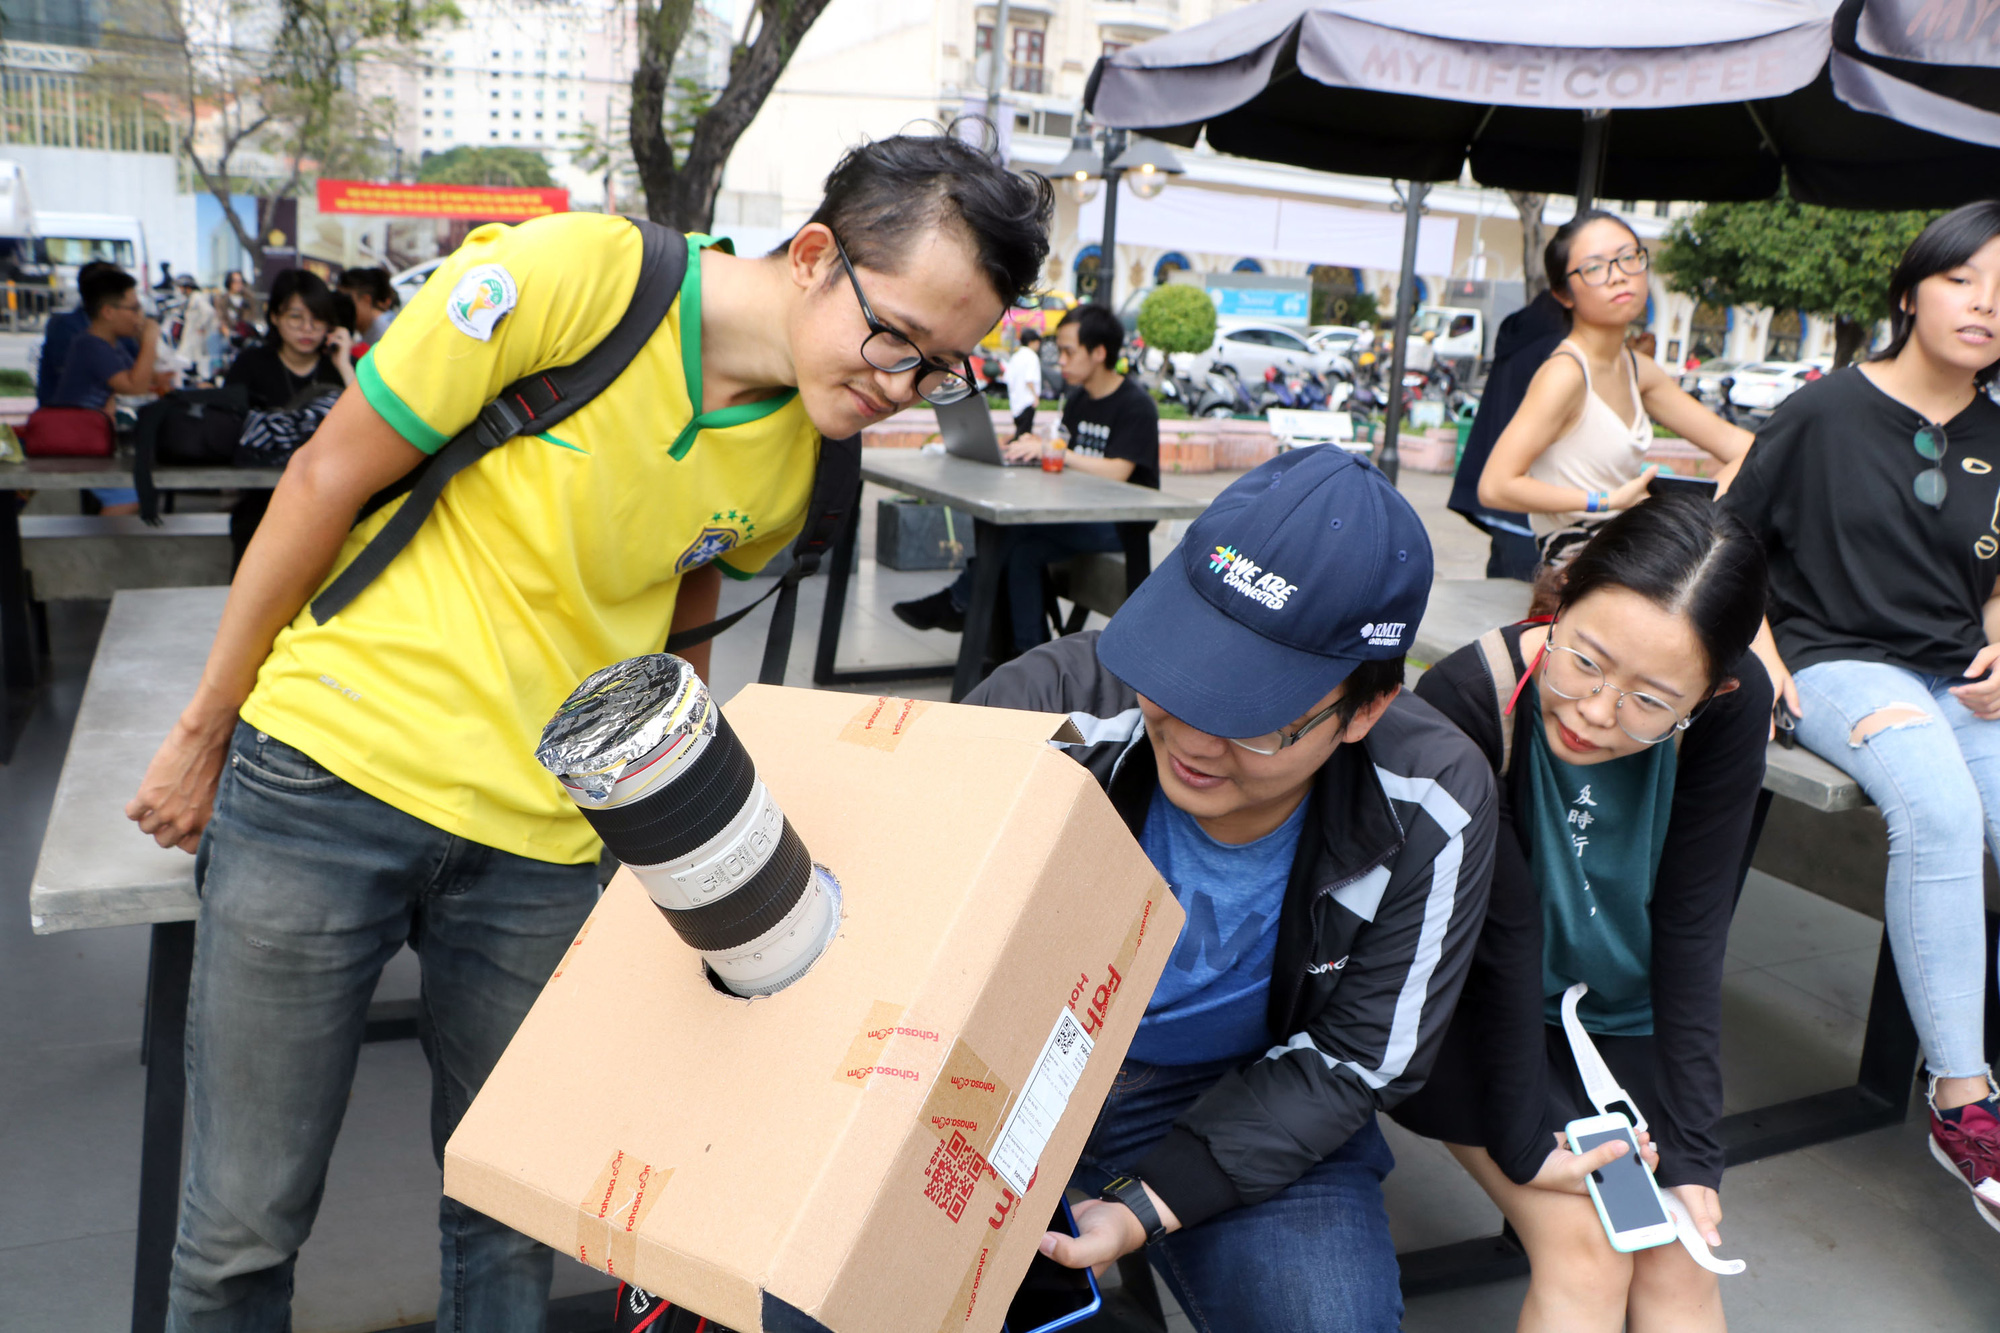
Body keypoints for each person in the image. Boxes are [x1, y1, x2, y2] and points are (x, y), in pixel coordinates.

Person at [123, 129, 1051, 1333]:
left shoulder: (801, 458)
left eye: (941, 369)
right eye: (897, 338)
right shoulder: (570, 280)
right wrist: (204, 732)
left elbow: (681, 631)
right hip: (326, 781)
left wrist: (664, 846)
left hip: (544, 854)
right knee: (244, 1223)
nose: (902, 384)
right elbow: (322, 482)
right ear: (816, 253)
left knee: (516, 1215)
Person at [967, 447, 1496, 1333]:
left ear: (1365, 709)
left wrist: (1156, 1198)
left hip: (1242, 1085)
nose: (1196, 737)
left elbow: (1357, 1058)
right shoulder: (1050, 711)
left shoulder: (1434, 800)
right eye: (1181, 672)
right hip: (1004, 1063)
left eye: (1255, 714)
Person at [1396, 495, 1771, 1332]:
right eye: (1587, 662)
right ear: (1558, 603)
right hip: (1472, 1014)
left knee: (1680, 1252)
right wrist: (1527, 1135)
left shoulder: (1731, 712)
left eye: (1652, 700)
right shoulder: (1468, 695)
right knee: (1587, 1252)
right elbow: (1504, 937)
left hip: (1608, 1020)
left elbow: (1693, 925)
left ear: (1716, 689)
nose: (1598, 712)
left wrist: (1696, 1151)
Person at [1722, 200, 2000, 1232]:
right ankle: (1959, 1100)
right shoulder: (1821, 410)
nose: (1983, 305)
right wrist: (1760, 666)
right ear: (1909, 289)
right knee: (1934, 814)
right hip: (1833, 663)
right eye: (1963, 278)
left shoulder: (1997, 433)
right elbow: (1729, 547)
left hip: (1954, 676)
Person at [1478, 210, 1751, 570]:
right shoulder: (1565, 374)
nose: (1619, 276)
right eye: (1594, 267)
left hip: (1633, 550)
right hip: (1579, 566)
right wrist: (1606, 501)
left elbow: (1745, 449)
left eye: (1629, 258)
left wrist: (1693, 510)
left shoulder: (1637, 369)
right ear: (1563, 293)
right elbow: (1495, 485)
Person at [893, 304, 1157, 651]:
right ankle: (1030, 653)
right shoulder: (1079, 399)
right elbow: (1068, 457)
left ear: (1098, 353)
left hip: (1121, 524)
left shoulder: (1134, 405)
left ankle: (958, 602)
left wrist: (1057, 452)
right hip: (1079, 511)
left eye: (1067, 351)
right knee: (1022, 551)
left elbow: (1119, 471)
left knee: (1014, 530)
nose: (1059, 360)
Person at [221, 269, 358, 562]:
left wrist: (345, 365)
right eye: (295, 317)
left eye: (318, 318)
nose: (307, 328)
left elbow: (366, 425)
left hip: (329, 505)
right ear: (275, 318)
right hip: (263, 502)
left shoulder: (340, 367)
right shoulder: (251, 364)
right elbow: (230, 427)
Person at [1449, 291, 1569, 582]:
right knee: (1523, 611)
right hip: (1527, 503)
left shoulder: (1520, 334)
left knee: (1498, 599)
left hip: (1501, 502)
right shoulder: (1559, 350)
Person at [173, 274, 223, 383]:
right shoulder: (190, 298)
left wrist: (200, 325)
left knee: (197, 362)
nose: (180, 290)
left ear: (187, 287)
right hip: (191, 336)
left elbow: (209, 311)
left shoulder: (197, 296)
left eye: (181, 287)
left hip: (196, 336)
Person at [338, 265, 401, 342]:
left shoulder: (384, 335)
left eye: (345, 301)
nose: (340, 307)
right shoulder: (373, 332)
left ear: (366, 300)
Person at [1004, 325, 1043, 439]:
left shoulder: (1015, 357)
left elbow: (1008, 378)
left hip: (1016, 402)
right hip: (1027, 401)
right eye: (1037, 343)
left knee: (1019, 432)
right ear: (1031, 342)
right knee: (1024, 435)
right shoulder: (1032, 357)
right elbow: (1029, 379)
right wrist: (1035, 397)